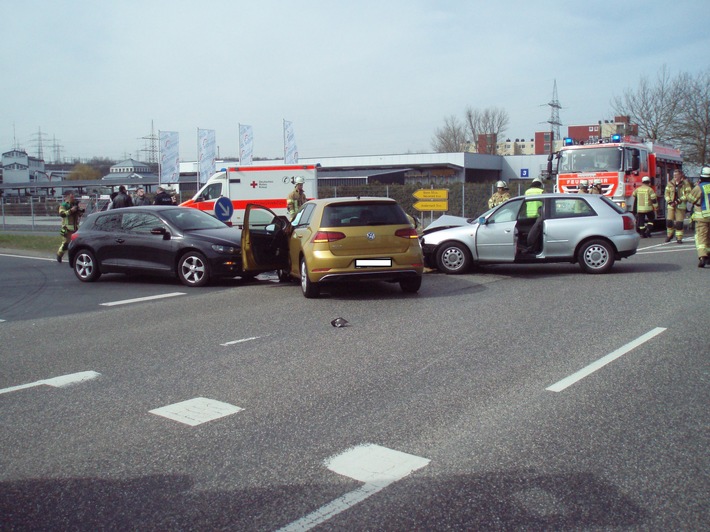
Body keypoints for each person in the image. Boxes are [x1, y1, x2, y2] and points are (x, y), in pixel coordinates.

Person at [686, 166, 710, 267]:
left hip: (702, 217)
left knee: (701, 237)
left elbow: (690, 199)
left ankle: (702, 257)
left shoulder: (698, 187)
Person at [664, 169, 693, 243]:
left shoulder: (685, 184)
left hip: (680, 205)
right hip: (671, 205)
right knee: (669, 222)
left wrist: (678, 201)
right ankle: (669, 235)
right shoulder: (670, 183)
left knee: (679, 223)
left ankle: (679, 238)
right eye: (674, 175)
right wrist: (669, 201)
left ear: (680, 175)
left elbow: (688, 194)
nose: (675, 176)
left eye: (676, 175)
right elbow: (666, 193)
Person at [56, 190, 84, 263]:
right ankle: (59, 255)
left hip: (75, 228)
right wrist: (71, 211)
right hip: (66, 228)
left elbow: (79, 215)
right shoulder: (63, 205)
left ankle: (74, 257)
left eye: (73, 196)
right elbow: (62, 214)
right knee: (66, 243)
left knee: (77, 243)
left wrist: (80, 211)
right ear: (67, 197)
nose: (73, 197)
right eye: (71, 196)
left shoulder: (75, 205)